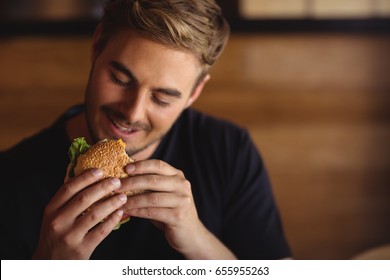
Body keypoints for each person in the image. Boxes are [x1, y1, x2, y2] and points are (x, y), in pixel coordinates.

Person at [0, 0, 291, 260]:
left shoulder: (228, 150)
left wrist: (197, 240)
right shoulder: (11, 178)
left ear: (194, 93)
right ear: (97, 45)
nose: (132, 113)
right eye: (120, 79)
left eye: (162, 98)